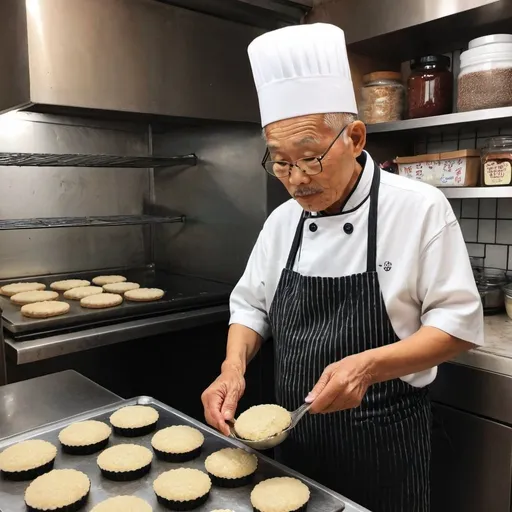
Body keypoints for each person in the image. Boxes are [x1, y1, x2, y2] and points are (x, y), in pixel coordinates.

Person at [201, 23, 483, 512]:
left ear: (354, 137)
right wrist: (232, 367)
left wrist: (369, 366)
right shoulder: (282, 222)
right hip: (294, 442)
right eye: (280, 163)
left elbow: (456, 326)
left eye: (310, 158)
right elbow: (250, 306)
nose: (296, 180)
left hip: (385, 446)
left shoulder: (419, 208)